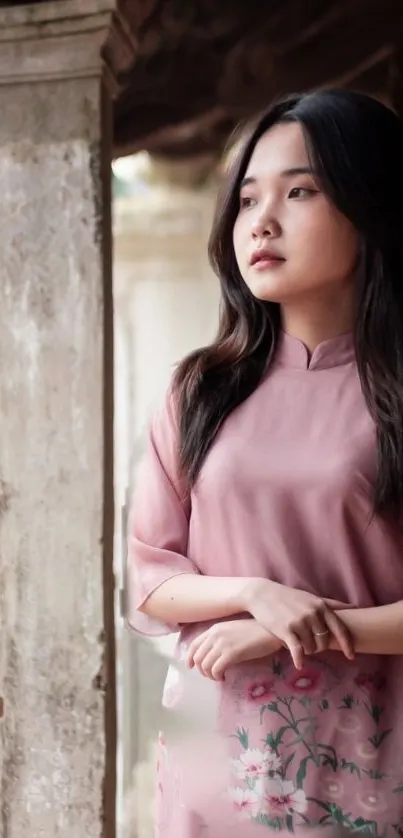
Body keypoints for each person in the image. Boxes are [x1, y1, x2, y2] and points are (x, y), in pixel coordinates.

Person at [126, 90, 403, 838]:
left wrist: (287, 628)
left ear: (369, 204)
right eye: (247, 199)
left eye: (300, 191)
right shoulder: (200, 390)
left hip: (371, 762)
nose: (262, 221)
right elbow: (151, 582)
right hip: (213, 756)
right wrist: (254, 594)